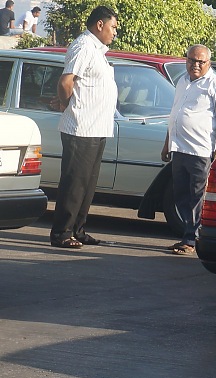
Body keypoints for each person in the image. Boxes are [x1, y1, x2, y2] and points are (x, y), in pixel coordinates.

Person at [49, 6, 118, 249]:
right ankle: (61, 232)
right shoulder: (83, 46)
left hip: (97, 128)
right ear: (100, 24)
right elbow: (66, 81)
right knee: (74, 182)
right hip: (81, 127)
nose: (114, 33)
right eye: (113, 27)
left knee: (88, 184)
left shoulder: (98, 51)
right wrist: (66, 104)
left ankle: (77, 229)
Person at [161, 44, 216, 255]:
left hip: (200, 150)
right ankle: (189, 233)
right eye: (192, 60)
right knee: (180, 194)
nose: (196, 65)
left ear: (208, 63)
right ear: (186, 60)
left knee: (196, 196)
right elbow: (174, 114)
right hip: (179, 148)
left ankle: (191, 239)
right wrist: (167, 144)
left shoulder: (215, 85)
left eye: (201, 62)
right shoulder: (182, 81)